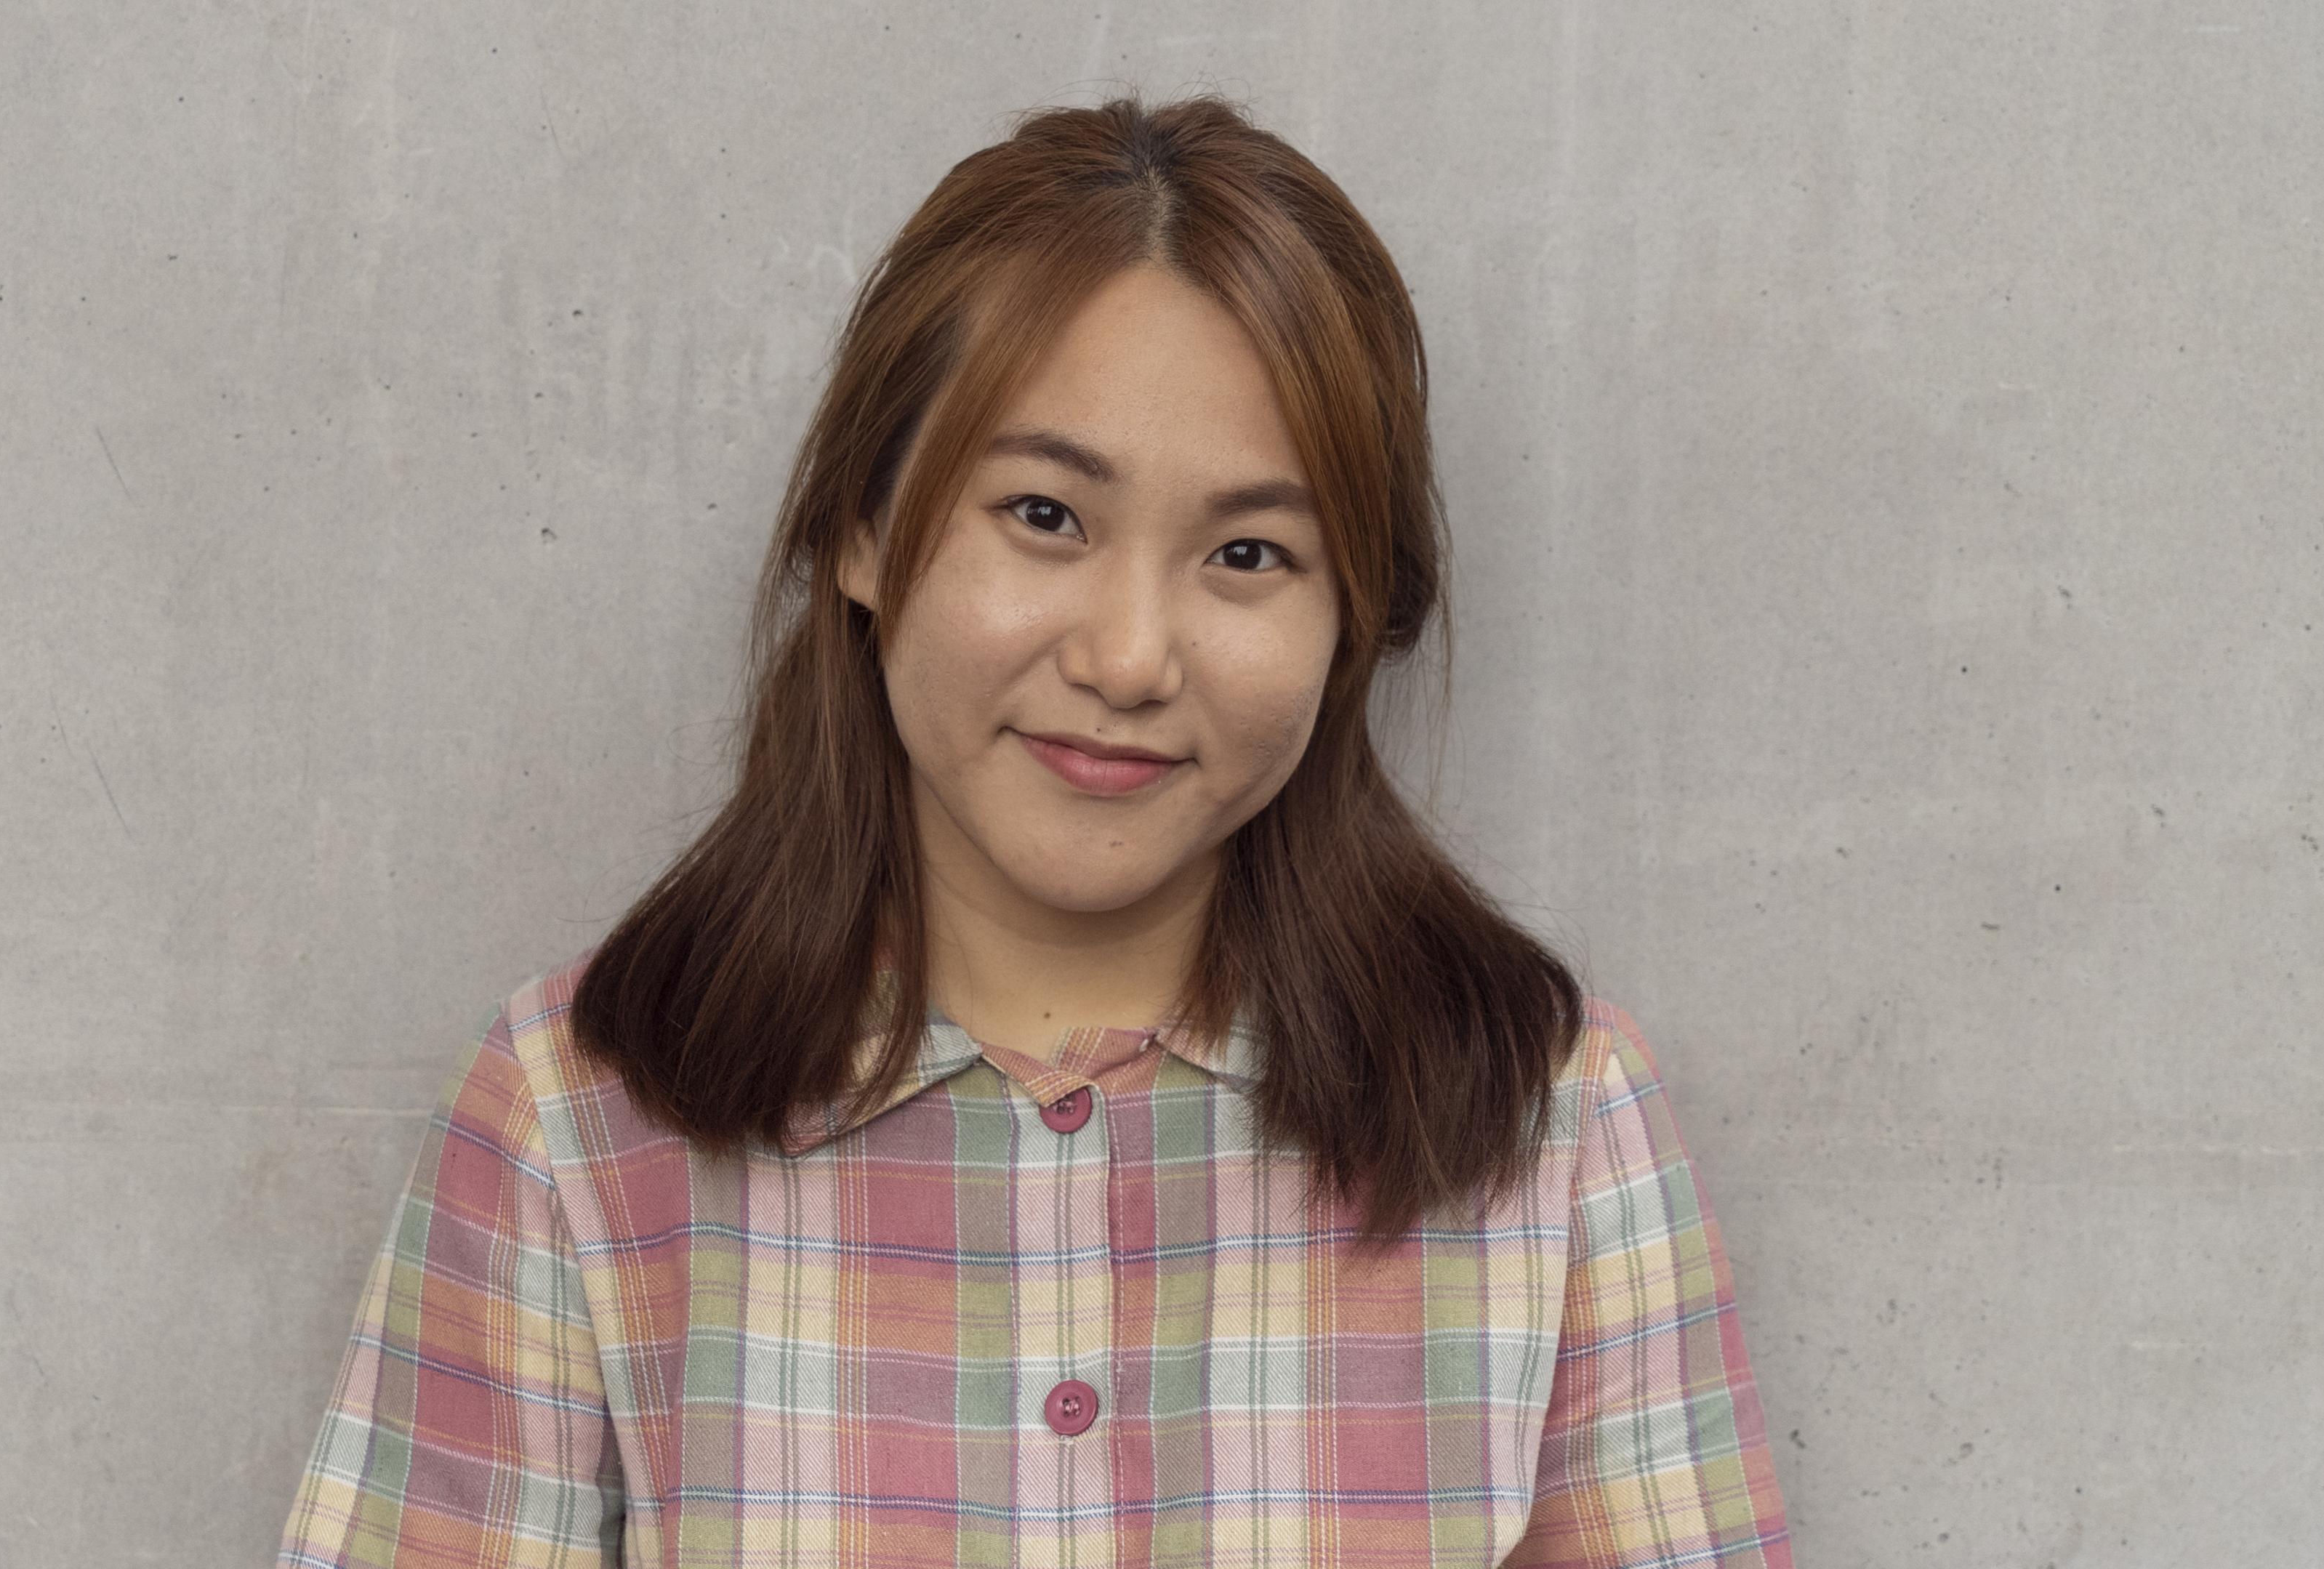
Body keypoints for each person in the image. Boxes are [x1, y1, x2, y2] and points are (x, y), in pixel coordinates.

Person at [275, 93, 1791, 1568]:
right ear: (863, 529)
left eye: (1250, 553)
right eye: (1046, 517)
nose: (1130, 657)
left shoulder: (1552, 1126)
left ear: (1353, 622)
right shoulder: (574, 1120)